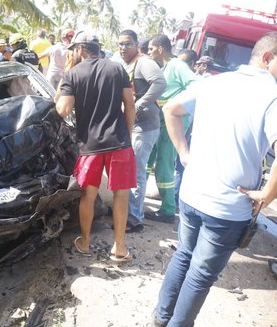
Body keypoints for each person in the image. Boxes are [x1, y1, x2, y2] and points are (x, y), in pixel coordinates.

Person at [151, 31, 277, 326]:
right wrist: (267, 196)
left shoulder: (214, 82)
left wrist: (184, 153)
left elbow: (171, 109)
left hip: (193, 194)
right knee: (200, 274)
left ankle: (161, 318)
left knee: (184, 256)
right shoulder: (272, 95)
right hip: (226, 208)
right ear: (269, 58)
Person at [56, 31, 137, 262]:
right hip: (119, 142)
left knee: (88, 196)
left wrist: (65, 80)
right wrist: (127, 137)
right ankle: (120, 248)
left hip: (89, 145)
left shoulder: (73, 74)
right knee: (121, 195)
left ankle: (84, 243)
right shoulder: (117, 68)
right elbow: (129, 105)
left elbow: (62, 110)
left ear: (80, 49)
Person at [145, 34, 198, 224]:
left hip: (173, 121)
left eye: (151, 48)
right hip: (160, 121)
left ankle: (167, 210)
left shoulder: (177, 66)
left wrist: (171, 103)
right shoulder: (163, 67)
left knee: (165, 165)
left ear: (160, 48)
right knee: (148, 162)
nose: (149, 52)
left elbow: (196, 86)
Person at [118, 29, 167, 233]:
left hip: (144, 127)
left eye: (128, 44)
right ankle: (130, 211)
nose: (123, 48)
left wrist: (139, 105)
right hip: (136, 126)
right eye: (120, 44)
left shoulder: (144, 62)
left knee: (136, 173)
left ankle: (135, 219)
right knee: (133, 170)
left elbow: (161, 83)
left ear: (137, 44)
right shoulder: (129, 64)